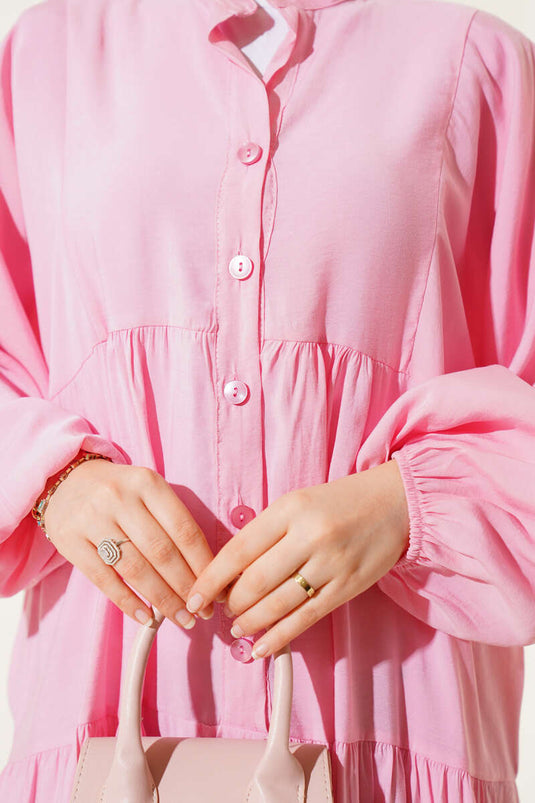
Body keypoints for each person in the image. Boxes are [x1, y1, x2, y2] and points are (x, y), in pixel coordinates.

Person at [0, 0, 534, 799]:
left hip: (397, 726)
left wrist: (408, 507)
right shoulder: (51, 52)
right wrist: (53, 485)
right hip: (107, 737)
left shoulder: (476, 62)